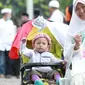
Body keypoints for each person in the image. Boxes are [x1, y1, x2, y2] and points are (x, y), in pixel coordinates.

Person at [63, 0, 85, 85]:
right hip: (77, 66)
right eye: (77, 9)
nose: (81, 11)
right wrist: (76, 46)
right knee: (77, 77)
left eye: (83, 7)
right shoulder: (72, 31)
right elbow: (67, 56)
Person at [0, 8, 16, 78]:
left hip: (9, 44)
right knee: (1, 60)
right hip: (1, 44)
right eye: (8, 14)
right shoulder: (0, 22)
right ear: (5, 15)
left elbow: (13, 33)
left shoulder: (11, 22)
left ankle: (8, 73)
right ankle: (2, 73)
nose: (10, 16)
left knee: (9, 60)